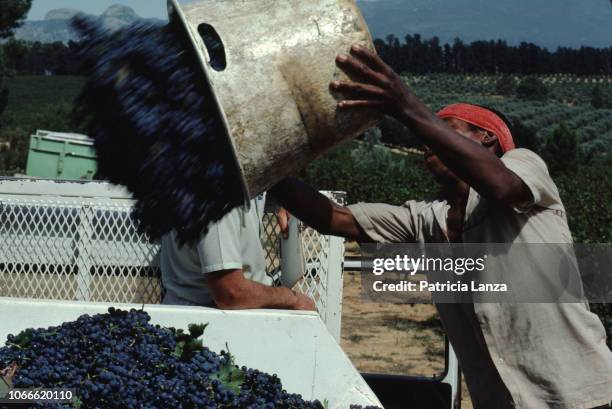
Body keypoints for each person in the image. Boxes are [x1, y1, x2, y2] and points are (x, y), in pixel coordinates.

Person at [270, 44, 612, 409]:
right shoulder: (427, 218)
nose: (427, 139)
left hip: (578, 394)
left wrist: (405, 105)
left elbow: (502, 185)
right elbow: (336, 218)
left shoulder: (524, 166)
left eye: (444, 129)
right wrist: (267, 170)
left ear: (487, 138)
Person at [160, 194, 315, 311]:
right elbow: (231, 293)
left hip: (214, 315)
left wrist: (287, 199)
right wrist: (292, 299)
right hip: (216, 322)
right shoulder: (219, 196)